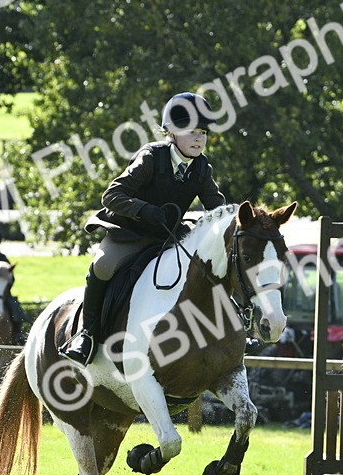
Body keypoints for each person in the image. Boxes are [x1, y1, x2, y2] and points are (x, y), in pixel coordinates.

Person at [61, 91, 228, 364]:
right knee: (102, 267)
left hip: (166, 237)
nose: (199, 139)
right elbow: (111, 196)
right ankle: (86, 334)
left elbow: (218, 209)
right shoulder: (151, 157)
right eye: (192, 132)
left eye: (203, 133)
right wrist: (144, 210)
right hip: (129, 233)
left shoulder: (201, 168)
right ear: (171, 133)